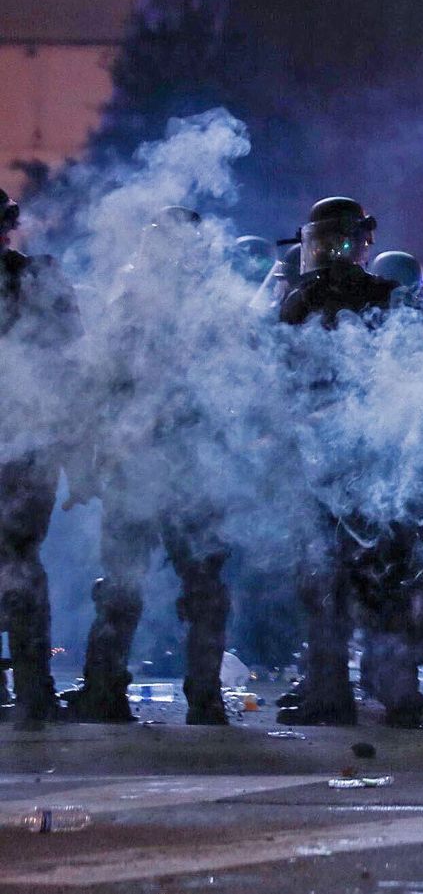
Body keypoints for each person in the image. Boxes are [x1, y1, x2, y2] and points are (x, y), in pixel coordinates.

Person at [64, 207, 239, 726]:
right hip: (171, 466)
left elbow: (96, 388)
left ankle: (108, 691)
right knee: (182, 586)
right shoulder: (205, 309)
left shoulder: (136, 308)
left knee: (130, 583)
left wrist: (88, 463)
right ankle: (200, 698)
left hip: (154, 464)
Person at [276, 197, 403, 727]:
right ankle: (394, 690)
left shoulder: (303, 300)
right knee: (373, 573)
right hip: (360, 457)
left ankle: (336, 692)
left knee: (329, 574)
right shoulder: (385, 297)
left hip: (341, 456)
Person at [1, 189, 91, 728]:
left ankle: (34, 690)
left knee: (18, 560)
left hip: (28, 442)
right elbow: (75, 370)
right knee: (20, 560)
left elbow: (70, 370)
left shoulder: (39, 280)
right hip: (33, 445)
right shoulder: (41, 279)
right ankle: (34, 691)